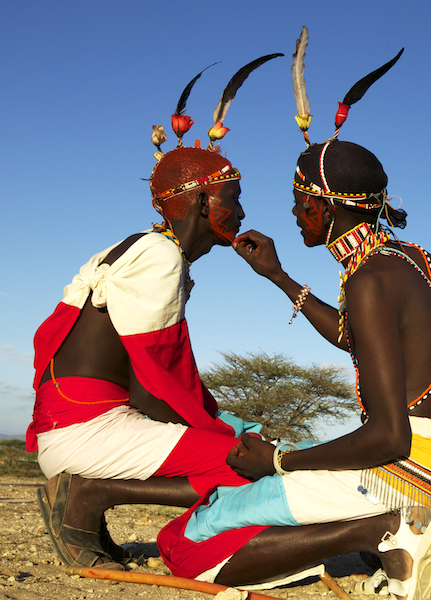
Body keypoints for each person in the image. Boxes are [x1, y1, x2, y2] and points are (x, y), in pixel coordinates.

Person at [157, 42, 431, 596]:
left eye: (300, 203)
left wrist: (282, 461)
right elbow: (358, 340)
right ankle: (388, 532)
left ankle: (387, 529)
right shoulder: (415, 260)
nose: (294, 215)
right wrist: (279, 278)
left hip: (403, 474)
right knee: (241, 507)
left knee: (190, 541)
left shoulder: (369, 279)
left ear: (325, 208)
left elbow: (388, 436)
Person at [29, 55, 282, 570]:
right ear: (199, 203)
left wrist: (218, 423)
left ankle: (90, 504)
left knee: (237, 443)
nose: (241, 213)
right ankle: (90, 496)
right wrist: (225, 440)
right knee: (255, 468)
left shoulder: (138, 248)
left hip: (76, 422)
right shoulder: (161, 256)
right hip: (87, 431)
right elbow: (153, 380)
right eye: (232, 200)